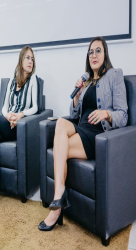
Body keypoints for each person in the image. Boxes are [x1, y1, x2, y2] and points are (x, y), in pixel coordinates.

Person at [38, 36, 128, 231]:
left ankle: (56, 207)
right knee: (61, 122)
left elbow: (123, 115)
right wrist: (77, 94)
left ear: (105, 54)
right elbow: (74, 114)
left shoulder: (114, 75)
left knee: (58, 148)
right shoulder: (86, 81)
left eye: (98, 51)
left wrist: (106, 114)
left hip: (96, 133)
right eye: (90, 52)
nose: (93, 55)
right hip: (81, 126)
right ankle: (59, 196)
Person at [0, 46, 38, 211]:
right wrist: (9, 115)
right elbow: (3, 108)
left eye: (32, 58)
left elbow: (35, 107)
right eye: (27, 58)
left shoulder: (33, 80)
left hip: (19, 127)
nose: (30, 61)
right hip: (7, 122)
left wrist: (19, 116)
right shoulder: (11, 81)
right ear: (21, 60)